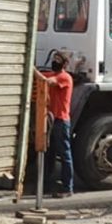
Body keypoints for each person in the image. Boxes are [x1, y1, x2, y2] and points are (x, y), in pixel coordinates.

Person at [34, 52, 74, 198]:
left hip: (61, 121)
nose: (54, 62)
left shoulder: (64, 77)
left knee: (65, 155)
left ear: (63, 64)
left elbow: (46, 81)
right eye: (53, 59)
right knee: (49, 153)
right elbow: (45, 74)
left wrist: (32, 69)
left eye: (57, 60)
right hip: (53, 119)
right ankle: (45, 185)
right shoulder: (55, 74)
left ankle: (67, 188)